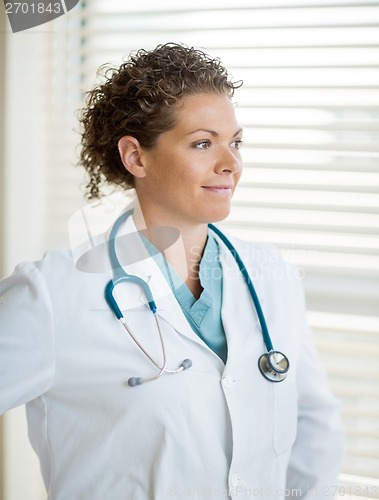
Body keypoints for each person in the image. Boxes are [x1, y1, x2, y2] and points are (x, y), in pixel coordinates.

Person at [0, 43, 344, 499]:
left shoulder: (270, 275)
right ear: (136, 157)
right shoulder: (56, 292)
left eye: (235, 142)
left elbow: (312, 424)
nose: (231, 164)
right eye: (203, 143)